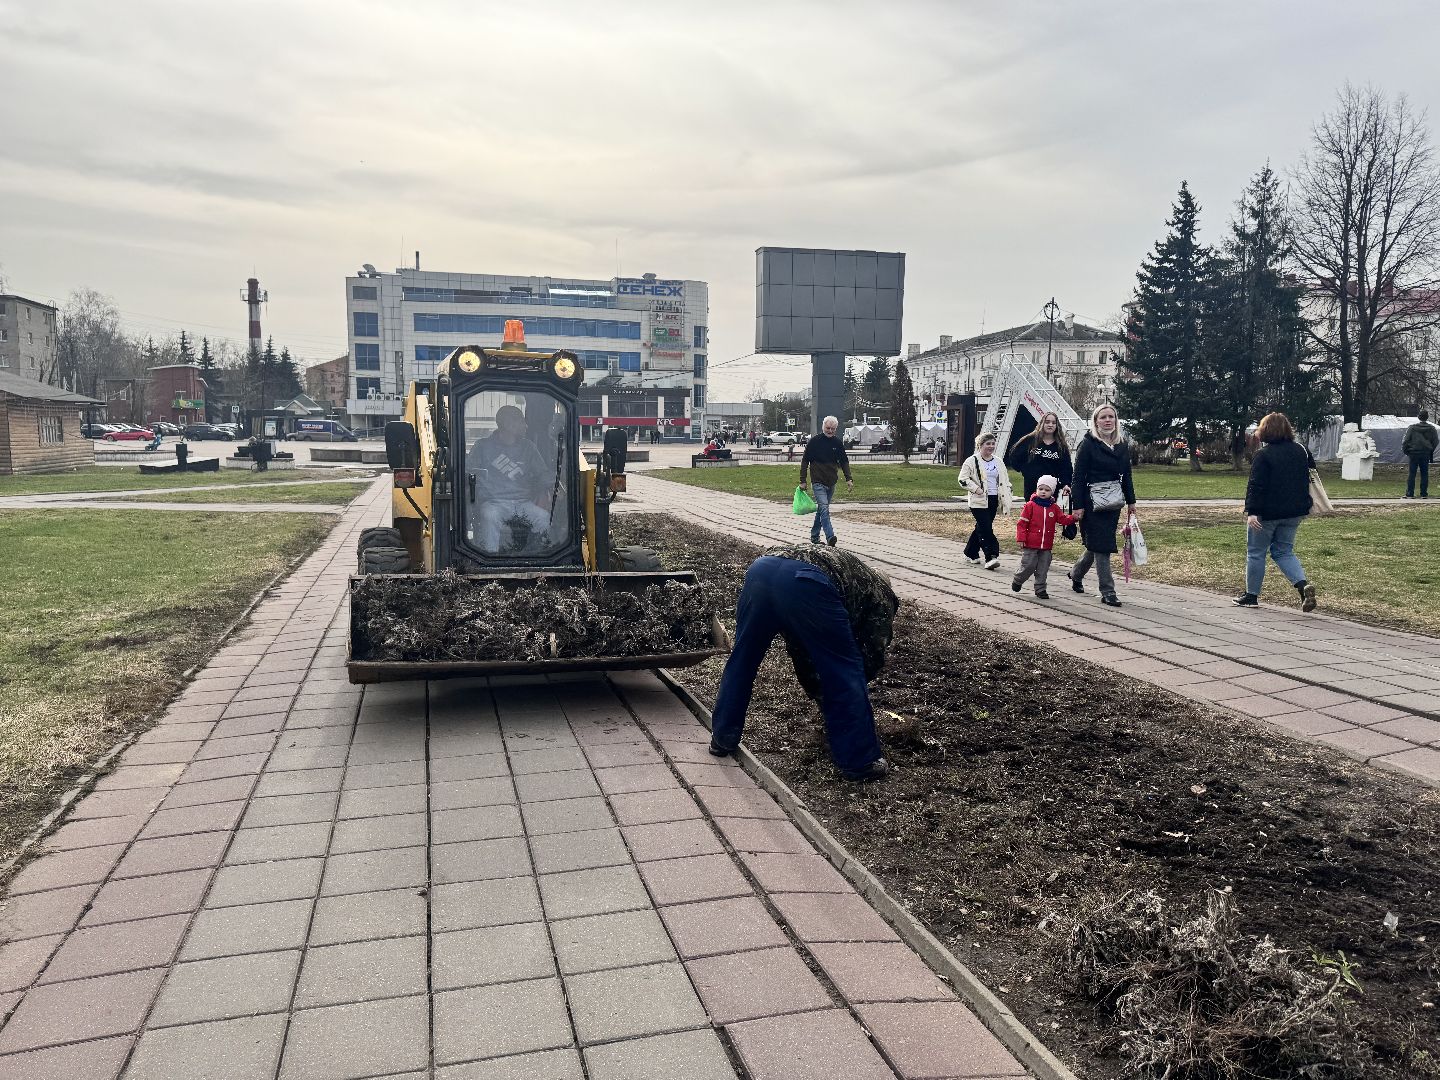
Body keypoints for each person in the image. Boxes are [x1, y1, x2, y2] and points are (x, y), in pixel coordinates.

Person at [709, 544, 896, 782]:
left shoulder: (846, 570)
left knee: (743, 659)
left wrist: (817, 684)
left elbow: (801, 644)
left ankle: (722, 737)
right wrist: (849, 692)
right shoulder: (880, 594)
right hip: (806, 582)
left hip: (761, 570)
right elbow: (872, 651)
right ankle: (860, 762)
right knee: (845, 671)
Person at [1234, 411, 1318, 611]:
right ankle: (1302, 586)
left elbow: (1256, 485)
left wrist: (1252, 511)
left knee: (1256, 553)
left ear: (1265, 431)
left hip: (1267, 513)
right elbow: (1311, 474)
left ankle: (1251, 596)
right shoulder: (1301, 450)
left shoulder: (1264, 455)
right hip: (1295, 511)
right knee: (1283, 551)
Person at [1069, 404, 1136, 607]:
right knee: (1102, 545)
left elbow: (1127, 476)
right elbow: (1077, 477)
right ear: (1096, 421)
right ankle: (1108, 591)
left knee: (1097, 545)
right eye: (1103, 417)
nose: (1108, 420)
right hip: (1092, 502)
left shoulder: (1122, 445)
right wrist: (1078, 505)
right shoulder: (1088, 444)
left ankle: (1075, 573)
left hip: (1113, 502)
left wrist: (1131, 501)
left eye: (1111, 417)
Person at [469, 404, 552, 553]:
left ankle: (535, 558)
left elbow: (543, 475)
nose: (526, 426)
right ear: (508, 425)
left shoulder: (529, 448)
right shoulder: (482, 447)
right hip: (494, 503)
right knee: (489, 516)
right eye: (521, 421)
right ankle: (490, 559)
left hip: (523, 503)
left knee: (543, 518)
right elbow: (469, 472)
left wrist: (542, 493)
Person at [1012, 474, 1076, 599]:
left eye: (1047, 490)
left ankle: (1040, 589)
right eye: (1040, 489)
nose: (1043, 492)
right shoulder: (1030, 506)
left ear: (1052, 492)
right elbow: (1022, 523)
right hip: (1031, 543)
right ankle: (1018, 579)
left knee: (1043, 568)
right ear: (1037, 489)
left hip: (1046, 545)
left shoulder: (1054, 508)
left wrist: (1073, 518)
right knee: (1028, 565)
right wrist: (1021, 538)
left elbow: (1062, 519)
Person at [957, 432, 1013, 569]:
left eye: (993, 443)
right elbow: (962, 479)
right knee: (986, 528)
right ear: (980, 445)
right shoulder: (971, 461)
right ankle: (991, 556)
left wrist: (1008, 492)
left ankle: (970, 552)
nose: (991, 446)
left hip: (994, 499)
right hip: (978, 500)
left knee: (981, 527)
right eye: (988, 443)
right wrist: (976, 489)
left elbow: (1005, 480)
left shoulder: (998, 461)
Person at [800, 415, 854, 547]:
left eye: (833, 429)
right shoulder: (814, 442)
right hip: (818, 481)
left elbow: (844, 461)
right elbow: (805, 461)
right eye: (828, 428)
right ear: (823, 427)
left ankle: (814, 536)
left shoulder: (837, 443)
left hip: (831, 482)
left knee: (821, 510)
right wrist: (803, 480)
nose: (830, 431)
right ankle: (830, 536)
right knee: (824, 508)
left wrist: (849, 478)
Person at [1007, 411, 1073, 501]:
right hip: (1032, 486)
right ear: (1042, 423)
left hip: (1051, 488)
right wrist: (1025, 471)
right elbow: (1014, 455)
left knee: (1048, 513)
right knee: (1032, 512)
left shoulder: (1061, 446)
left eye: (1054, 423)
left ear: (1057, 426)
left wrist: (1066, 484)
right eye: (1047, 422)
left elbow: (1066, 468)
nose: (1050, 425)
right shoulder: (1030, 440)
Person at [1403, 409, 1437, 498]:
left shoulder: (1412, 428)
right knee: (1424, 473)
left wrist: (1406, 450)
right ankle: (1424, 493)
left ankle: (1410, 493)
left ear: (1418, 417)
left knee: (1412, 473)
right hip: (1425, 453)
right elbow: (1436, 441)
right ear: (1427, 417)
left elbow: (1405, 441)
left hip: (1413, 453)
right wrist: (1430, 449)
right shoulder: (1432, 428)